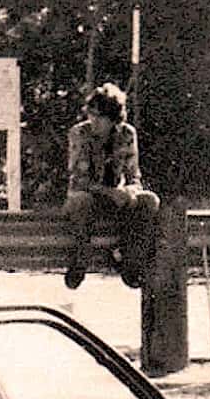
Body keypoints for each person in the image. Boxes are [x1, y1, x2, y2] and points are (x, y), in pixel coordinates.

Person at [62, 83, 160, 290]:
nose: (94, 120)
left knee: (149, 201)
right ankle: (79, 261)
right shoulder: (80, 133)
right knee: (81, 201)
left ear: (113, 118)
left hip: (115, 195)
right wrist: (108, 191)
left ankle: (131, 262)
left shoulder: (126, 134)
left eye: (100, 116)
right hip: (87, 194)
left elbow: (134, 175)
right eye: (91, 114)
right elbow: (78, 178)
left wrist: (130, 192)